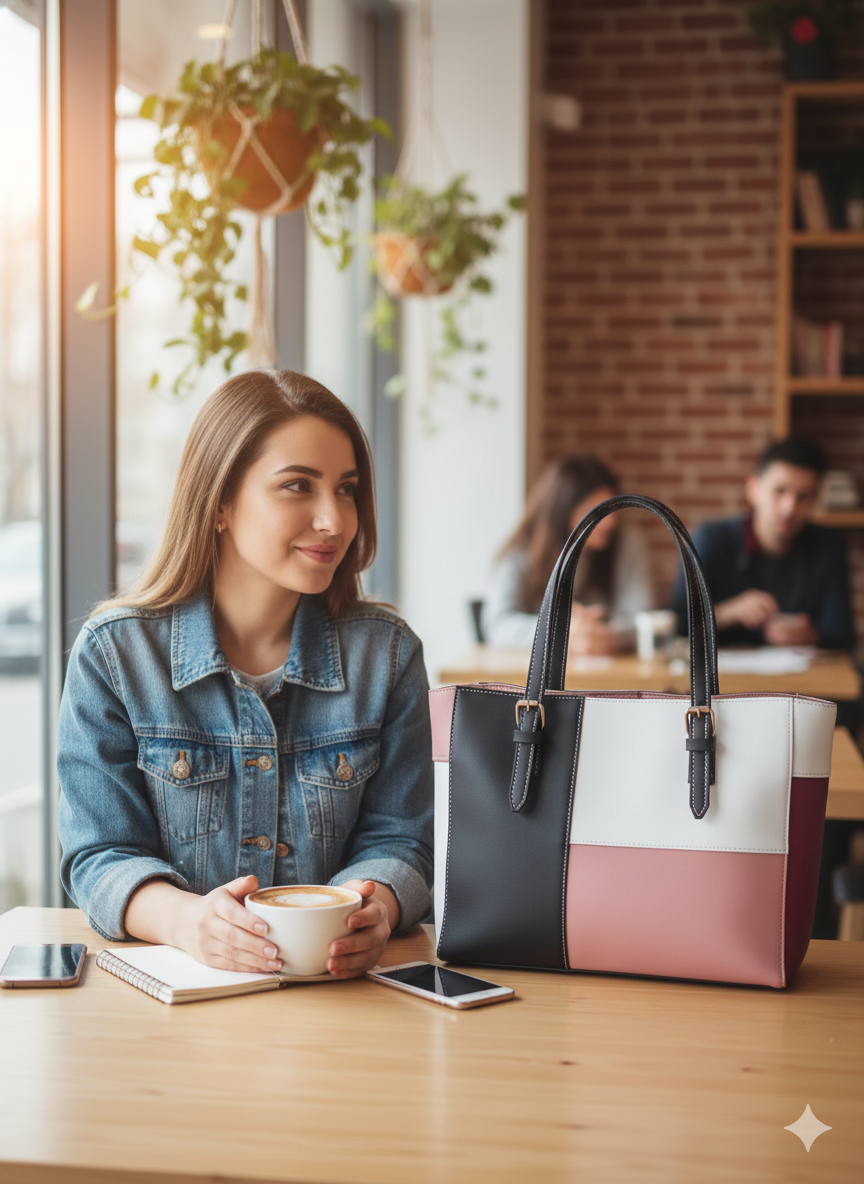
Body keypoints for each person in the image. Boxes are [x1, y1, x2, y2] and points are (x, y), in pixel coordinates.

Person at [58, 370, 433, 979]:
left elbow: (404, 843)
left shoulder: (387, 656)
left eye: (345, 489)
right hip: (171, 1016)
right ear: (220, 505)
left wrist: (378, 910)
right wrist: (187, 922)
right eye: (296, 487)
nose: (334, 520)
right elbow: (99, 856)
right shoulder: (114, 656)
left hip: (345, 1007)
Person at [671, 437, 854, 651]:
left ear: (816, 499)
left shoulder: (828, 547)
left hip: (800, 681)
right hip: (722, 681)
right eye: (780, 491)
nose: (790, 508)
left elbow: (843, 637)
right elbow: (675, 626)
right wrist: (728, 612)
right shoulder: (711, 540)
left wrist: (808, 636)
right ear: (754, 489)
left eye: (804, 496)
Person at [482, 454, 654, 653]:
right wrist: (560, 631)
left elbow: (642, 619)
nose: (609, 522)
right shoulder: (521, 552)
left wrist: (604, 635)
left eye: (610, 509)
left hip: (608, 679)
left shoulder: (626, 544)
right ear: (562, 511)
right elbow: (498, 626)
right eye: (593, 511)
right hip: (533, 679)